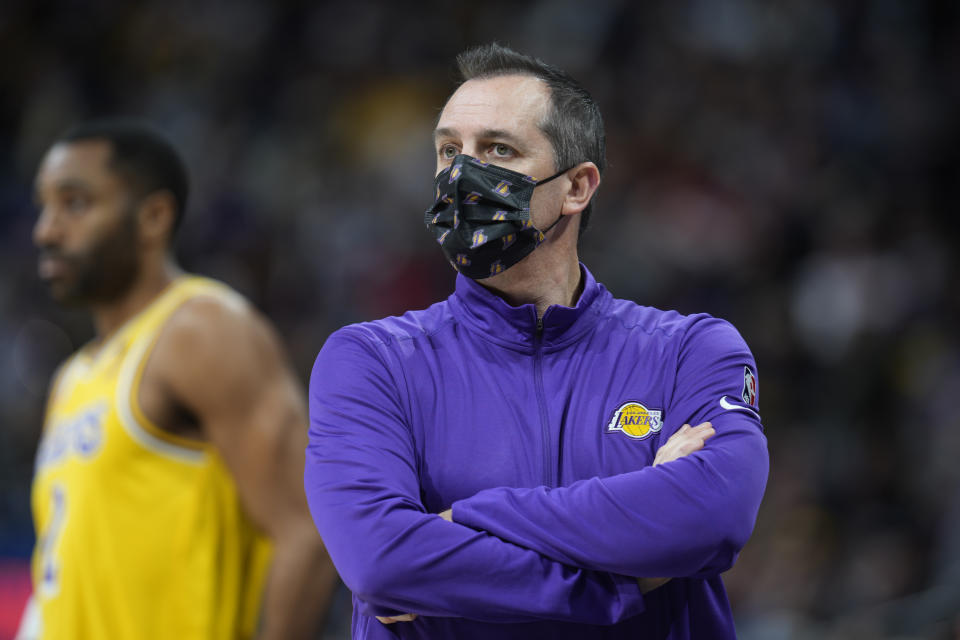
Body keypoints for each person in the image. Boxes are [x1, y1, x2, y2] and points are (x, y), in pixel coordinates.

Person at [304, 43, 769, 639]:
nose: (460, 175)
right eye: (449, 150)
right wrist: (624, 580)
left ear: (576, 187)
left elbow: (714, 514)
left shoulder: (691, 352)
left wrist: (459, 522)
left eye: (498, 149)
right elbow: (381, 562)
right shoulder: (370, 362)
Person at [20, 119, 338, 639]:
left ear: (154, 216)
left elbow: (307, 529)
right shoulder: (71, 377)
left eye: (74, 203)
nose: (46, 231)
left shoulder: (201, 330)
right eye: (45, 205)